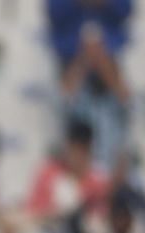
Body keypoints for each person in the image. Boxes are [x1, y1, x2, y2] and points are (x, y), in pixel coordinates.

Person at [46, 0, 133, 170]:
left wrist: (103, 60)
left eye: (99, 47)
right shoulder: (77, 92)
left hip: (107, 170)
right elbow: (61, 97)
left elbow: (127, 100)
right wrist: (84, 58)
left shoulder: (113, 95)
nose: (94, 52)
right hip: (77, 175)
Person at [26, 118, 109, 224]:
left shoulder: (98, 181)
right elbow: (33, 211)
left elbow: (101, 217)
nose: (78, 156)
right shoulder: (48, 173)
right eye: (75, 149)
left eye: (83, 150)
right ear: (67, 147)